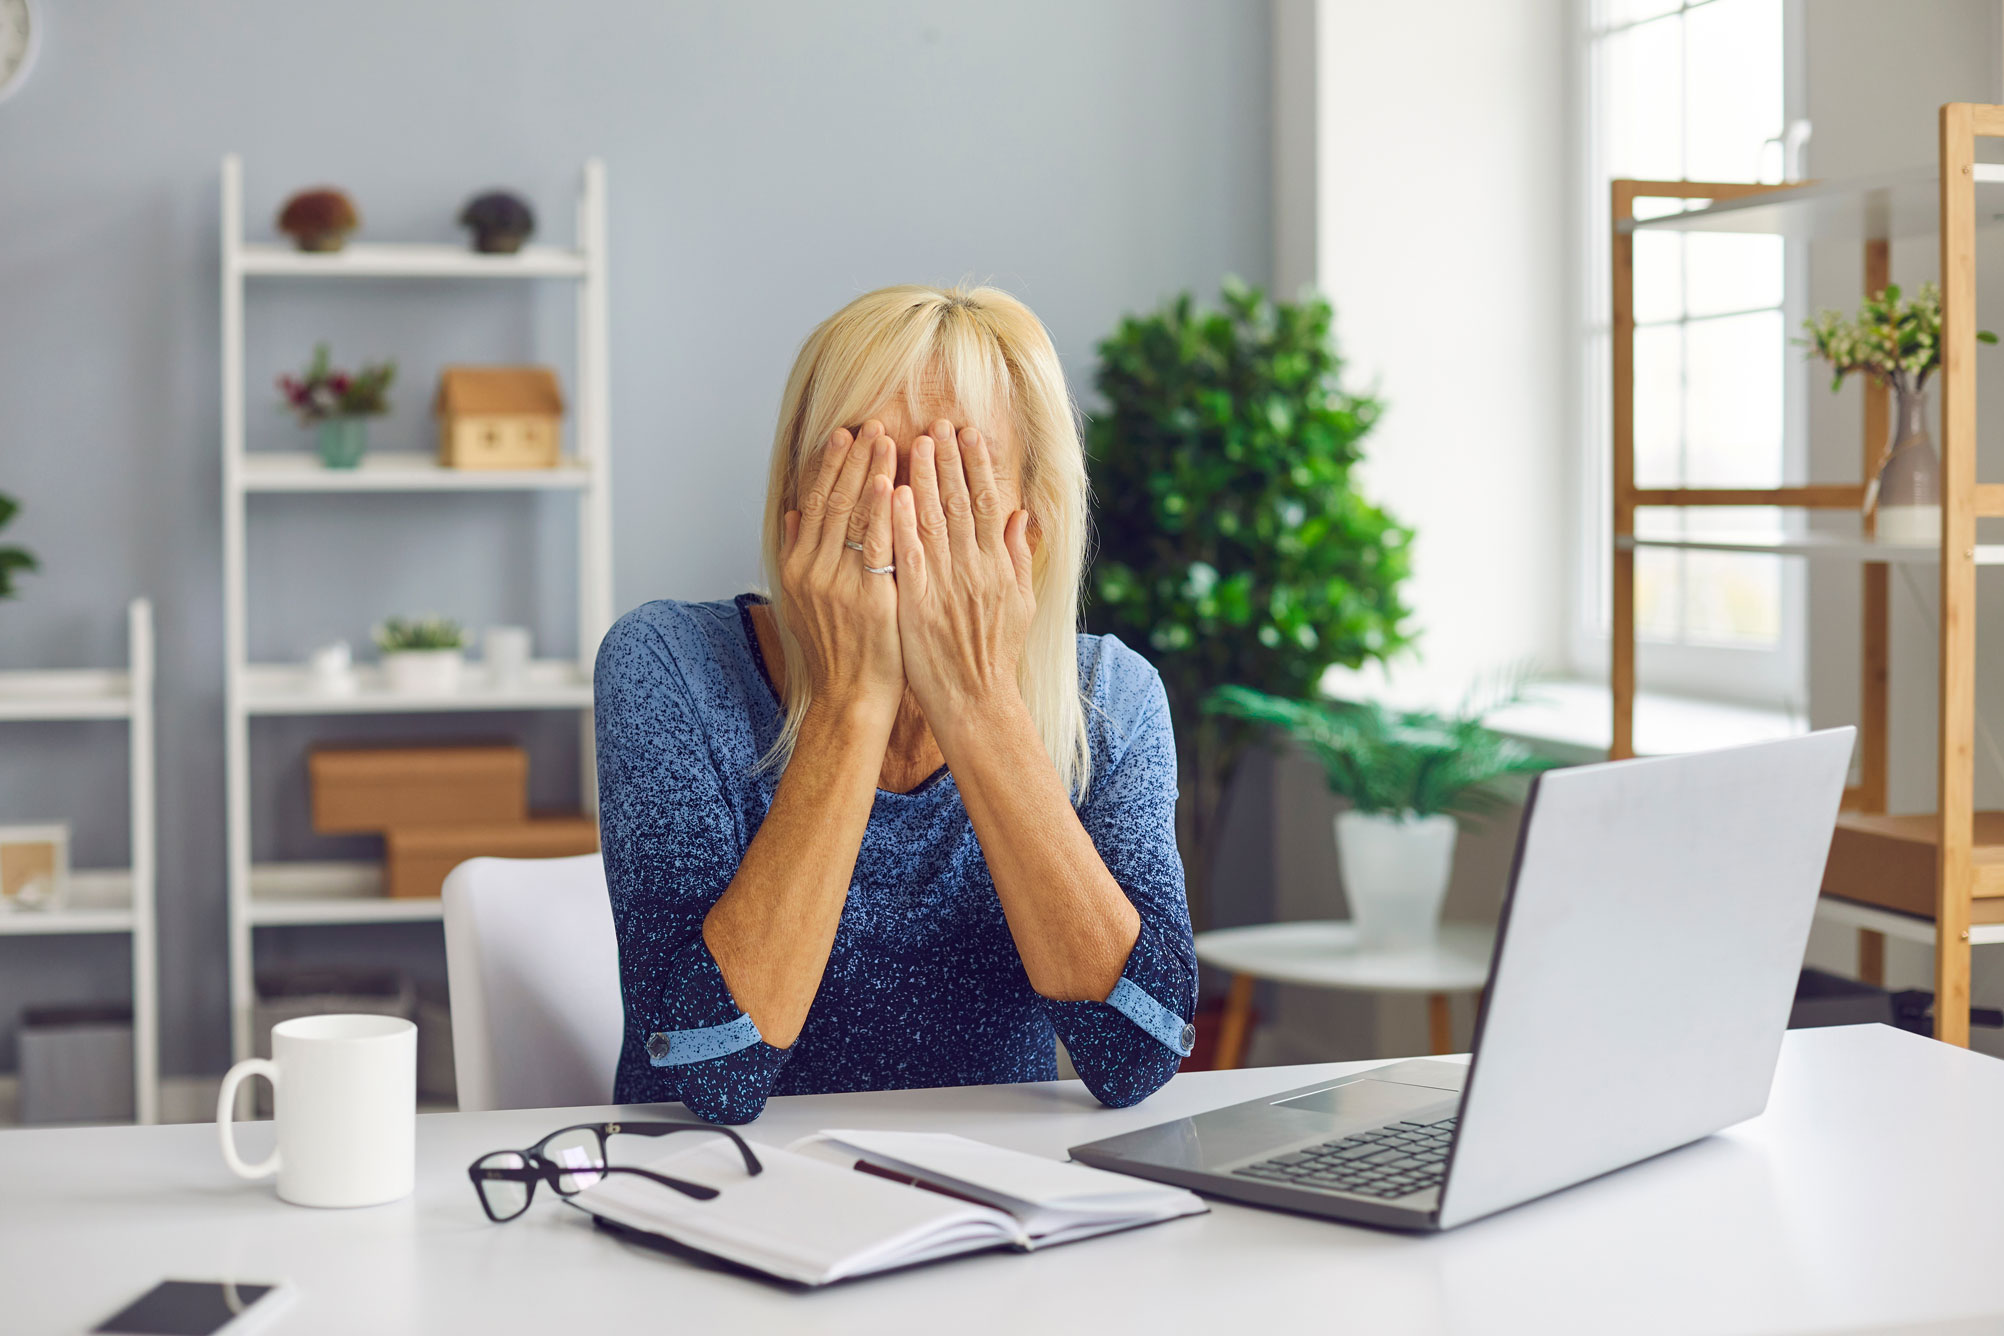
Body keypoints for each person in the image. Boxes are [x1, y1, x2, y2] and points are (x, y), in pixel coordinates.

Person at [593, 284, 1196, 1124]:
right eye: (861, 468)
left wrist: (979, 700)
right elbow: (713, 1074)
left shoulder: (1111, 698)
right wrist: (850, 701)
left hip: (987, 1210)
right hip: (717, 1195)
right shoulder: (666, 664)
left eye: (950, 481)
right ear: (794, 503)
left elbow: (1139, 1053)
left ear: (1034, 523)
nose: (896, 523)